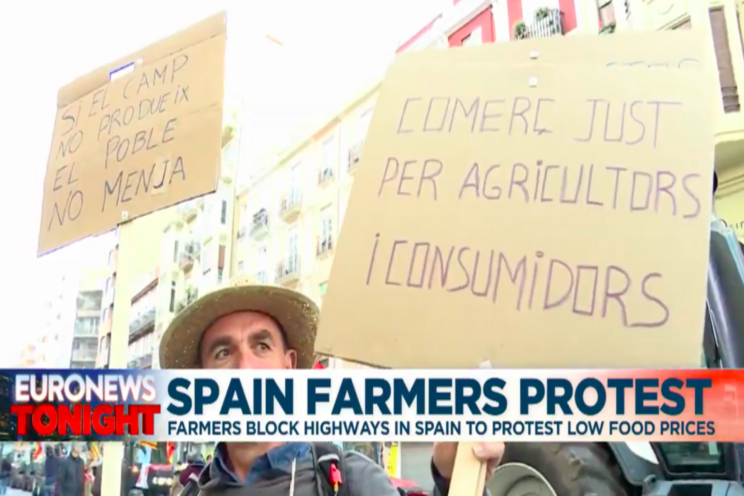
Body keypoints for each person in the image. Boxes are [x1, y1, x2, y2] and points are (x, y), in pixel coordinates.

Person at [159, 280, 505, 496]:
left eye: (262, 347)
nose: (245, 368)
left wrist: (455, 479)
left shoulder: (351, 480)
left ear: (290, 365)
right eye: (223, 353)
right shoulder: (192, 491)